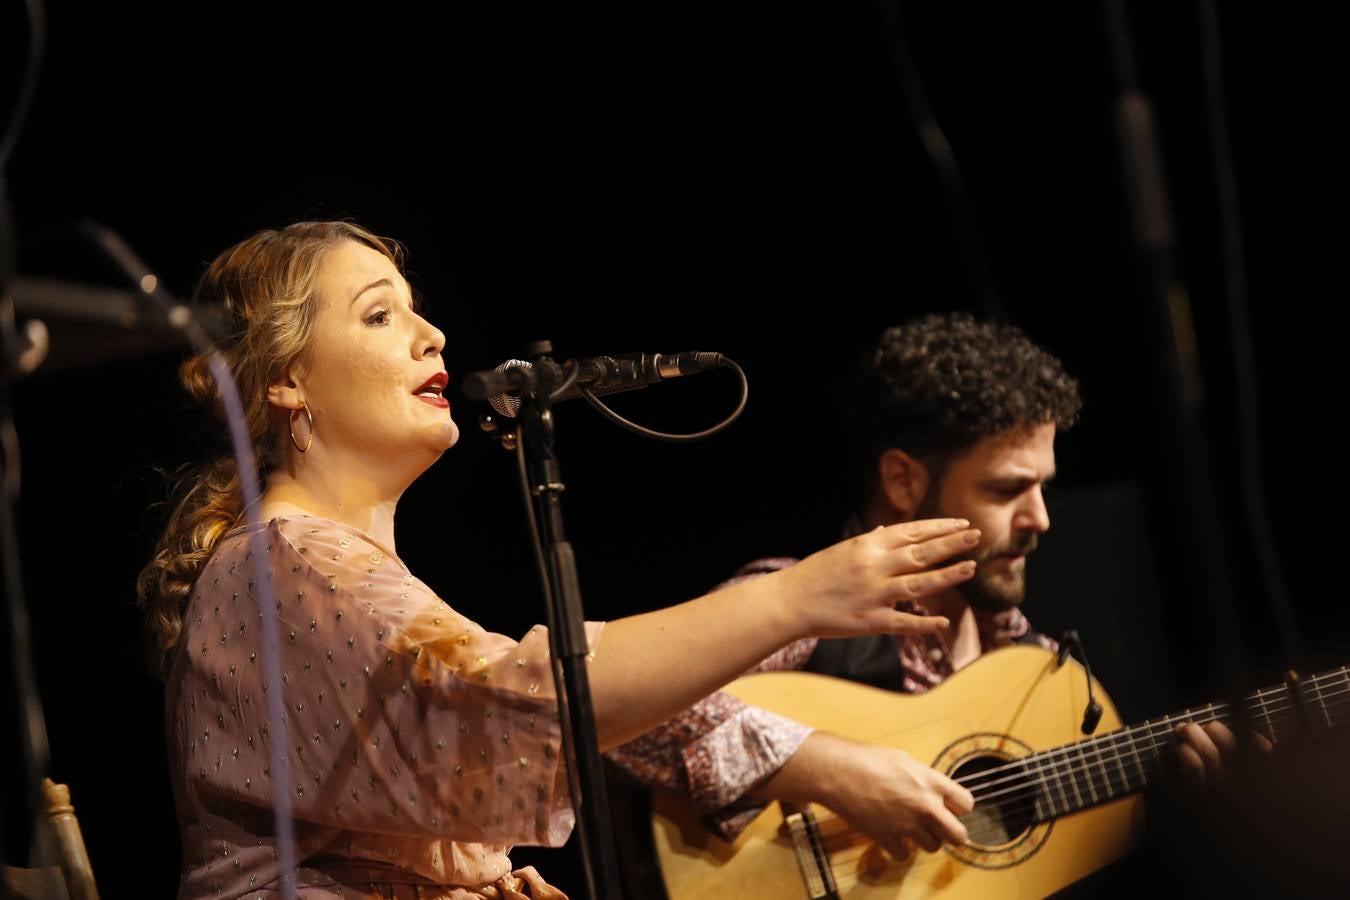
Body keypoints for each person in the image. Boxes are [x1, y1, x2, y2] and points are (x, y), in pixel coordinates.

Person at [134, 222, 985, 900]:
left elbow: (431, 769)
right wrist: (800, 597)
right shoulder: (288, 563)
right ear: (286, 379)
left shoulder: (313, 565)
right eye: (378, 314)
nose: (432, 335)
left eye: (416, 310)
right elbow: (520, 702)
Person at [607, 313, 1236, 847]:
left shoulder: (1041, 671)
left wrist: (1174, 817)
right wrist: (824, 768)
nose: (1040, 518)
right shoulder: (794, 606)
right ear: (904, 480)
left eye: (1042, 486)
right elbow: (617, 717)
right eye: (1006, 489)